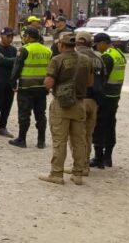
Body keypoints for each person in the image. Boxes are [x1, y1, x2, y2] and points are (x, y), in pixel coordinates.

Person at [39, 32, 91, 185]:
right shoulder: (86, 60)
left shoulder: (57, 60)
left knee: (59, 140)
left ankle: (56, 173)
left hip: (61, 104)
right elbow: (90, 82)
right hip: (80, 103)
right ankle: (77, 174)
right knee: (79, 140)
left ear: (61, 45)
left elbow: (48, 83)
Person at [9, 28, 51, 149]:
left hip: (26, 87)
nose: (24, 38)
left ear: (28, 36)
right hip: (42, 88)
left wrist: (13, 83)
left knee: (24, 114)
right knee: (40, 114)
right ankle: (41, 141)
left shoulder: (24, 50)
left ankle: (22, 140)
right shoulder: (47, 50)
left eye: (25, 36)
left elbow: (17, 69)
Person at [92, 33, 125, 169]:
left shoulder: (107, 56)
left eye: (97, 44)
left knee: (99, 126)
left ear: (103, 43)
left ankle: (99, 158)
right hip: (115, 96)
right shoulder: (119, 54)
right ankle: (108, 157)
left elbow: (101, 80)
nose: (97, 48)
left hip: (105, 96)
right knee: (111, 125)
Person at [75, 31, 106, 172]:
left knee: (77, 135)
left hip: (81, 100)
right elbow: (104, 78)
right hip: (94, 101)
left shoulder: (76, 57)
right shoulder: (99, 58)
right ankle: (86, 164)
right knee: (88, 134)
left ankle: (79, 166)